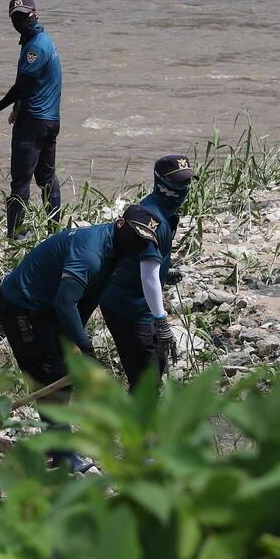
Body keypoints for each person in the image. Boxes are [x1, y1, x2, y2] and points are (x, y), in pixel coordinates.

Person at [0, 204, 161, 470]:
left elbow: (89, 298)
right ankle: (62, 455)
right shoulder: (91, 252)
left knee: (60, 373)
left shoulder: (118, 252)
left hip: (48, 306)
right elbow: (65, 303)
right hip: (22, 306)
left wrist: (73, 340)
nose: (140, 245)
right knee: (50, 374)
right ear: (120, 224)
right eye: (136, 236)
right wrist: (86, 347)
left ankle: (55, 445)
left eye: (145, 241)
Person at [98, 156, 194, 392]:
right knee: (145, 377)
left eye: (188, 182)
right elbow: (148, 276)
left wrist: (165, 272)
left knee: (156, 362)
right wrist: (161, 320)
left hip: (140, 300)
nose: (184, 189)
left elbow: (145, 263)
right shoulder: (151, 219)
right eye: (179, 183)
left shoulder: (165, 210)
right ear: (161, 184)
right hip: (128, 306)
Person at [0, 0, 63, 238]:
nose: (20, 20)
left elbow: (23, 85)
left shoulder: (35, 47)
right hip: (49, 119)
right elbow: (33, 83)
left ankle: (16, 234)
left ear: (35, 14)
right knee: (46, 176)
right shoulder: (40, 40)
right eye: (15, 17)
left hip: (34, 123)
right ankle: (54, 230)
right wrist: (17, 108)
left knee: (21, 180)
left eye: (24, 15)